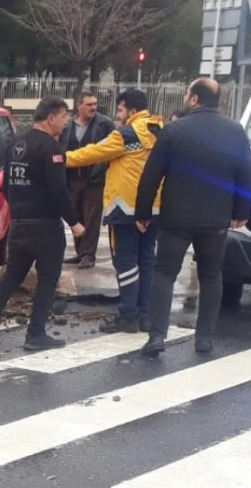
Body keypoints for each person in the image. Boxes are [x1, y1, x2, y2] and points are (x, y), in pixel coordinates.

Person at [136, 78, 251, 356]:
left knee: (164, 274)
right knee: (212, 276)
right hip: (216, 219)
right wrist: (241, 212)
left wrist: (142, 212)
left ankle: (156, 337)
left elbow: (151, 174)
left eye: (187, 93)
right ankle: (204, 339)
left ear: (193, 99)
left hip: (176, 218)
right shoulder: (235, 131)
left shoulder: (174, 131)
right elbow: (246, 174)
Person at [0, 96, 85, 351]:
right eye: (64, 117)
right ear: (51, 118)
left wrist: (16, 210)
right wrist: (74, 223)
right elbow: (58, 192)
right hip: (46, 227)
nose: (66, 123)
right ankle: (35, 333)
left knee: (12, 276)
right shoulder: (51, 149)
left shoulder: (15, 143)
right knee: (47, 279)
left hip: (20, 223)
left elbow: (8, 184)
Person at [64, 89, 164, 334]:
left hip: (125, 209)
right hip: (154, 208)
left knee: (126, 262)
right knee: (147, 261)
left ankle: (127, 315)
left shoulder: (127, 134)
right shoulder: (160, 131)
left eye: (120, 110)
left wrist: (59, 158)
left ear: (131, 110)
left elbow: (91, 153)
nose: (117, 116)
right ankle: (144, 314)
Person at [59, 91, 114, 269]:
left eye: (94, 104)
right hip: (73, 179)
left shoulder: (104, 123)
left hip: (94, 179)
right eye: (89, 104)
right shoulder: (68, 126)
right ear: (78, 106)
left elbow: (111, 149)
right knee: (75, 215)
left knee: (92, 218)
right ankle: (79, 252)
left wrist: (101, 170)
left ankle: (88, 254)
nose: (93, 108)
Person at [168, 108, 198, 313]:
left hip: (186, 212)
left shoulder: (191, 147)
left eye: (176, 124)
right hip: (175, 212)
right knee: (167, 267)